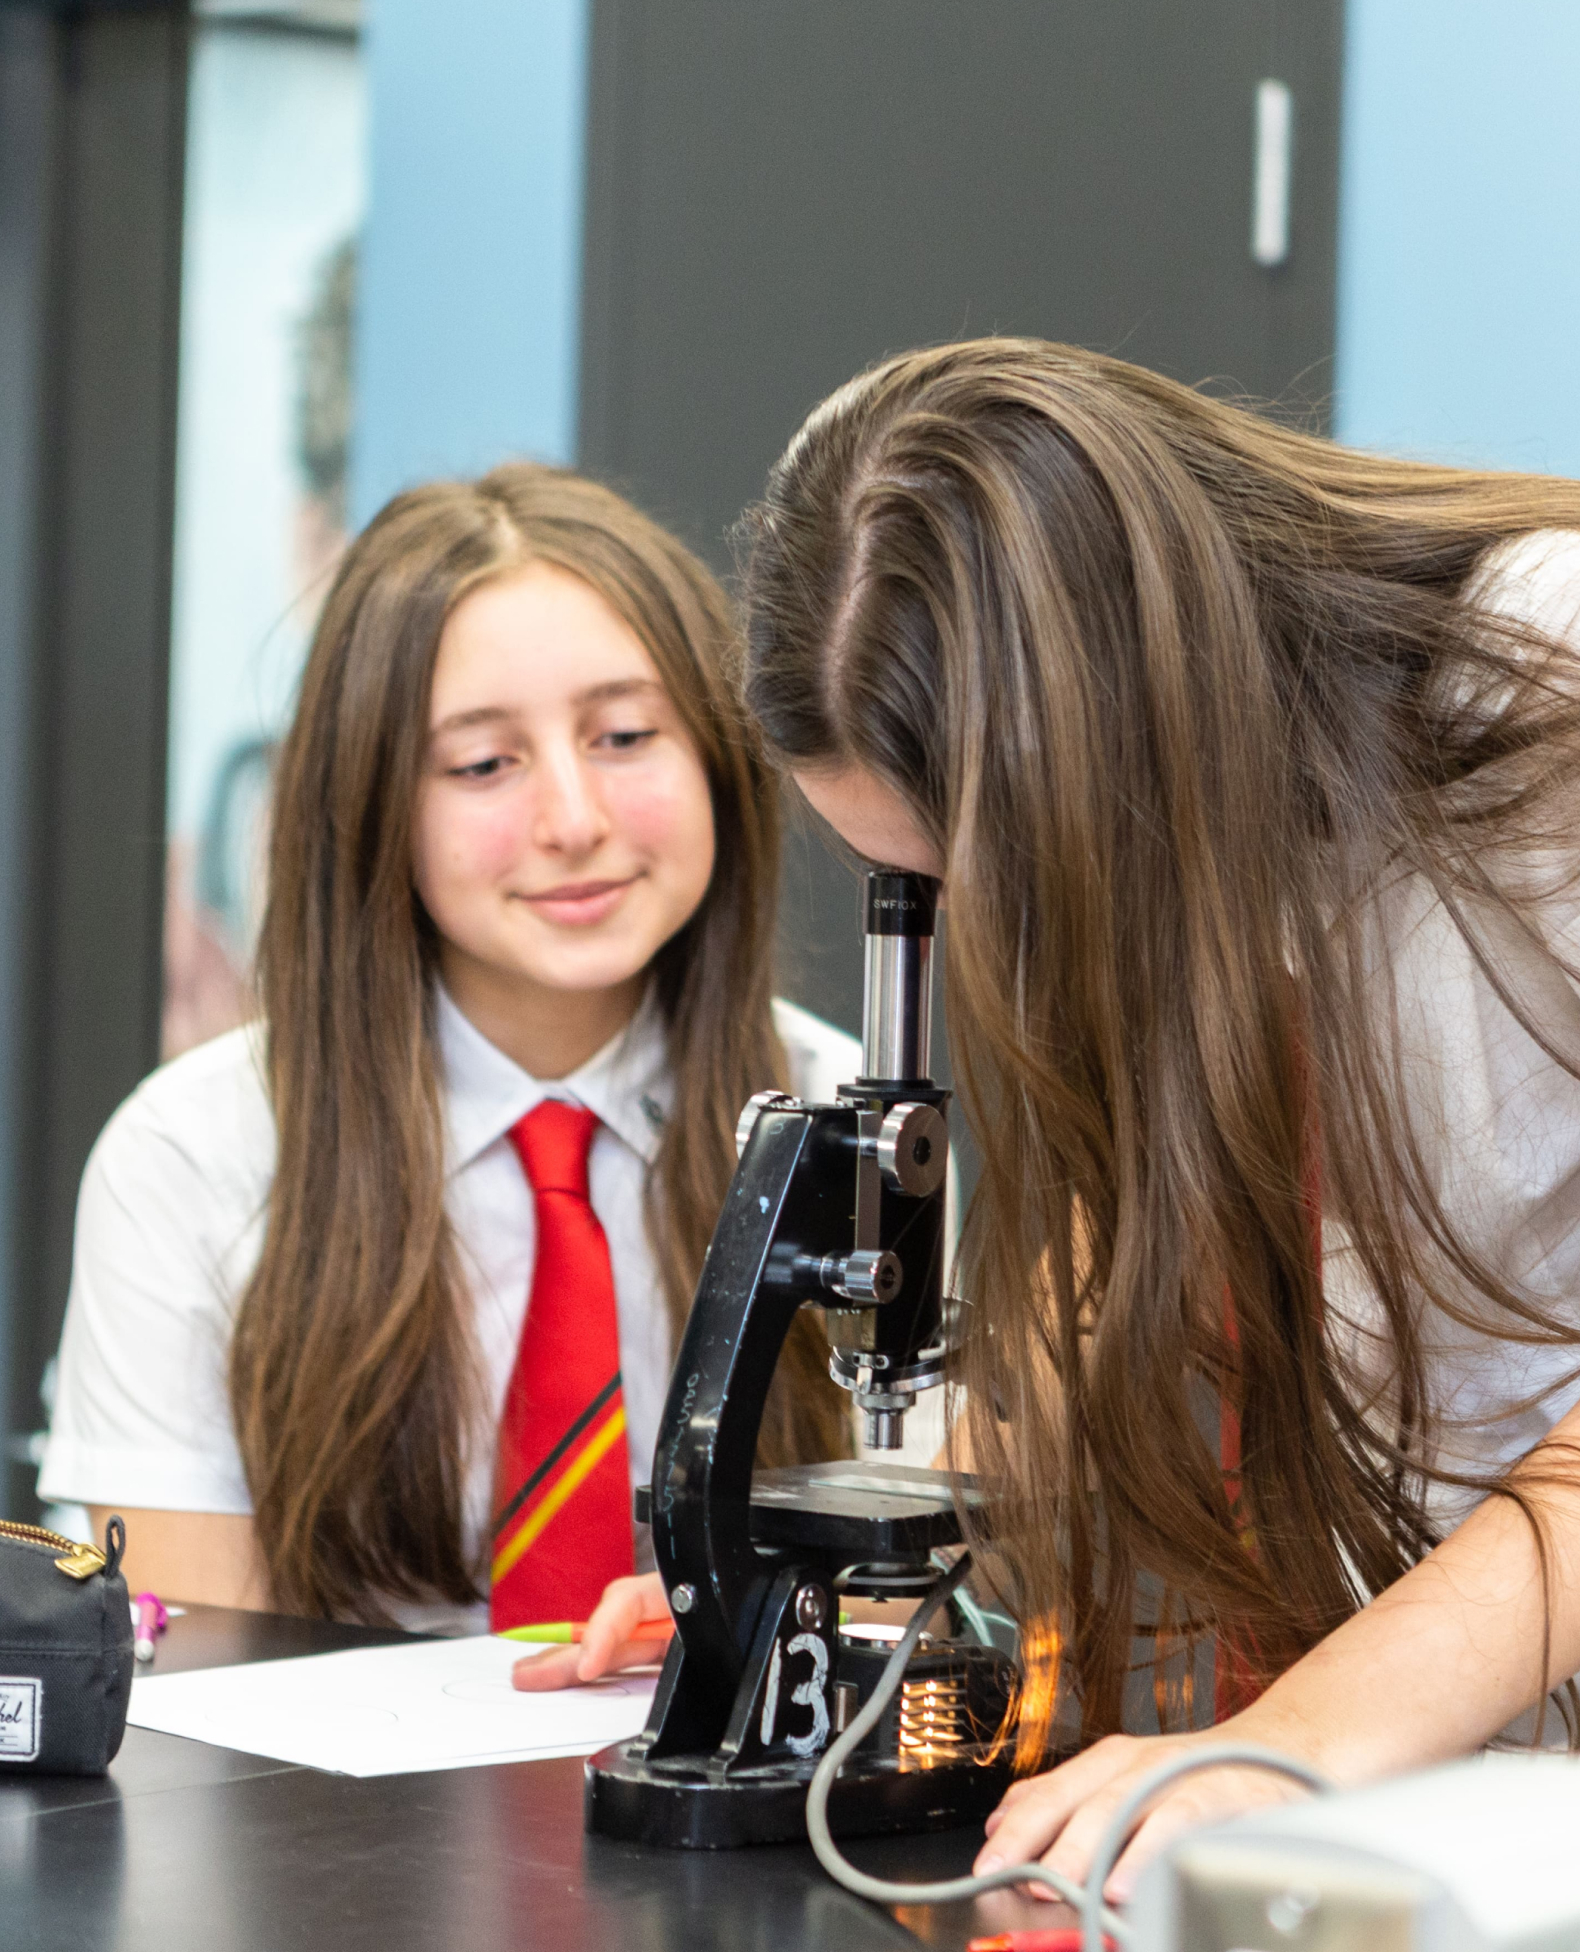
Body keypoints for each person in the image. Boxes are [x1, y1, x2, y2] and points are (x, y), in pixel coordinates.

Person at [551, 338, 1580, 1891]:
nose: (984, 927)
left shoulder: (1543, 682)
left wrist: (1305, 1732)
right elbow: (1118, 1233)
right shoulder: (1198, 845)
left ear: (1113, 743)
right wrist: (850, 1597)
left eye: (993, 872)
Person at [38, 462, 858, 1633]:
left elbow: (912, 1606)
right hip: (309, 1812)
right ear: (372, 801)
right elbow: (193, 1668)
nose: (573, 818)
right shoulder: (194, 1156)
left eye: (625, 735)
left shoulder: (839, 1112)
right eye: (482, 763)